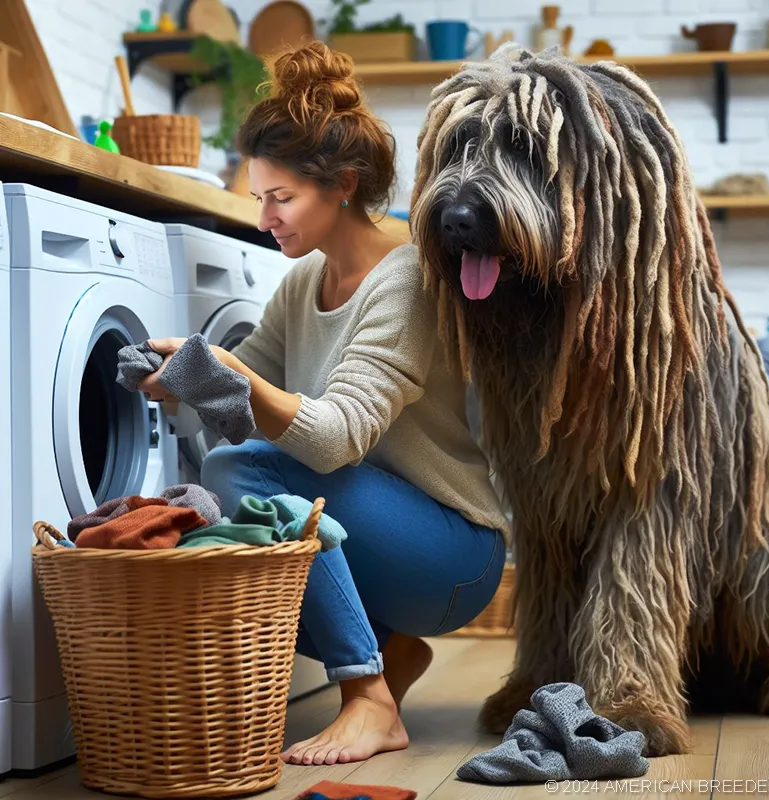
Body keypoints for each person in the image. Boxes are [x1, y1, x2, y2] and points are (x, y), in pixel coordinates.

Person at [137, 40, 510, 767]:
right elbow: (239, 382)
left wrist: (218, 375)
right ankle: (392, 653)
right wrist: (171, 376)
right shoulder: (302, 285)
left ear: (343, 184)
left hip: (455, 553)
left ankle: (369, 697)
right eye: (259, 198)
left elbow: (335, 437)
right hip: (393, 545)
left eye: (281, 198)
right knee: (229, 523)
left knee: (242, 473)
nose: (265, 217)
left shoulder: (405, 280)